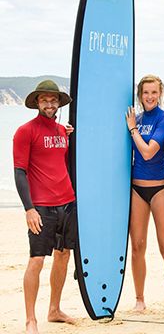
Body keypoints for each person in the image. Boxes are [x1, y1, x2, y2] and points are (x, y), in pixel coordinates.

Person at [13, 80, 77, 334]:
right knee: (37, 260)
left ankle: (54, 309)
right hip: (41, 207)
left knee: (63, 256)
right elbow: (19, 172)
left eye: (54, 100)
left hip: (67, 203)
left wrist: (69, 135)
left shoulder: (63, 131)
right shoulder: (25, 131)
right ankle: (31, 319)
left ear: (59, 103)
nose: (49, 104)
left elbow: (63, 164)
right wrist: (29, 208)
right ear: (37, 103)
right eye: (44, 100)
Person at [125, 75, 164, 316]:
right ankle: (139, 299)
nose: (149, 97)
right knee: (137, 246)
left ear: (160, 94)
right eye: (145, 93)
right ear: (140, 95)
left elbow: (149, 152)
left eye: (153, 92)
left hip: (160, 187)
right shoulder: (137, 118)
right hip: (137, 189)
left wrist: (132, 129)